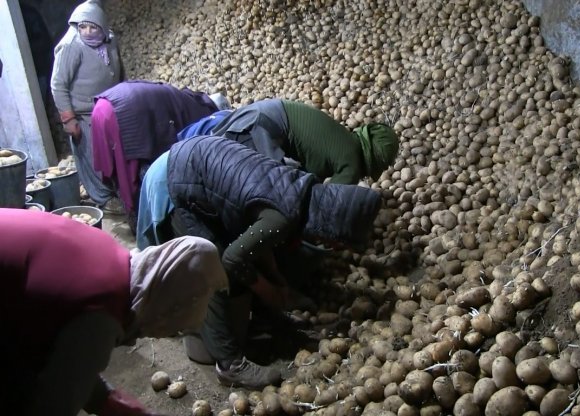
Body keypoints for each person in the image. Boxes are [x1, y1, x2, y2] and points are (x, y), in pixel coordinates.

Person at [139, 135, 382, 389]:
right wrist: (265, 289)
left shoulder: (301, 189)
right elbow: (232, 259)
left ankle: (271, 323)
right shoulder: (284, 217)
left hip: (198, 164)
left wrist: (274, 276)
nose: (333, 247)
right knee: (211, 267)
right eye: (337, 242)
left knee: (245, 260)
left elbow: (257, 232)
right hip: (179, 181)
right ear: (334, 227)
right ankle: (229, 364)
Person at [0, 208, 228, 416]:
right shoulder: (100, 312)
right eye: (174, 325)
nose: (161, 335)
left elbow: (67, 364)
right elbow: (54, 405)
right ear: (167, 307)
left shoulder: (111, 254)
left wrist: (108, 400)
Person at [90, 80, 223, 229]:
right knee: (132, 169)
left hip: (102, 106)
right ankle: (143, 222)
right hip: (124, 111)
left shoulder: (179, 96)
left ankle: (136, 217)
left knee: (122, 170)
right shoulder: (202, 112)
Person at [210, 98, 400, 184]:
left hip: (260, 114)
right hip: (258, 129)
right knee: (269, 191)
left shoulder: (345, 138)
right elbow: (328, 201)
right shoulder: (352, 163)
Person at [50, 0, 124, 213]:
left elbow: (119, 68)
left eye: (93, 27)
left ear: (101, 26)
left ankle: (117, 191)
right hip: (83, 115)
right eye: (83, 27)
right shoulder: (72, 46)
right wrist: (68, 118)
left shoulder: (109, 40)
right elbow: (58, 84)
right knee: (91, 159)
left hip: (108, 108)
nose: (89, 32)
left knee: (112, 155)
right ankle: (103, 198)